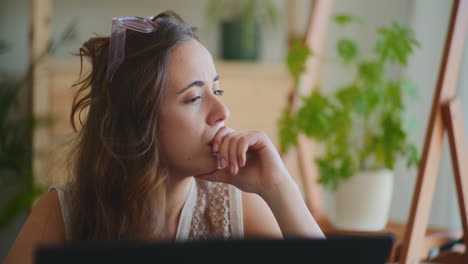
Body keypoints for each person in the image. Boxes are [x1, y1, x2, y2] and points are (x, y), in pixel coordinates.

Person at [3, 10, 324, 264]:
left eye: (217, 89)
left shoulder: (238, 208)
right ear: (140, 121)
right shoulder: (63, 212)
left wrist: (279, 188)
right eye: (194, 98)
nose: (222, 111)